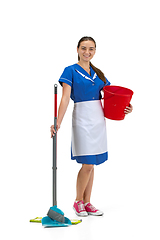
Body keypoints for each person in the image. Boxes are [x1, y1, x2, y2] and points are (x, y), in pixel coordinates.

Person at [50, 36, 133, 217]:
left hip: (98, 120)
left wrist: (127, 107)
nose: (87, 52)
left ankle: (87, 202)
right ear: (77, 49)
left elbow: (113, 95)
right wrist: (57, 122)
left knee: (92, 164)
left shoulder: (98, 74)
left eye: (91, 49)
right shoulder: (70, 71)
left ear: (95, 51)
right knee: (87, 163)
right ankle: (77, 201)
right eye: (84, 48)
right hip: (82, 118)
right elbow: (65, 98)